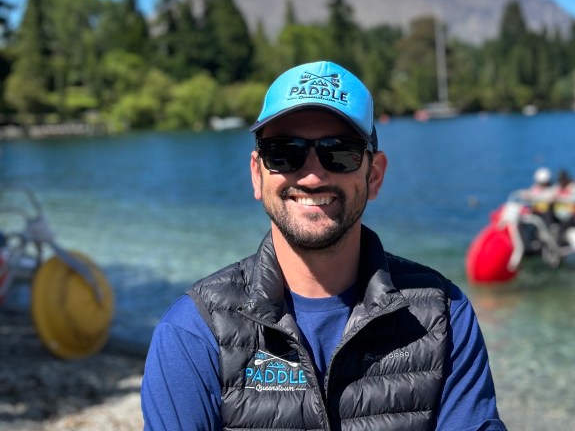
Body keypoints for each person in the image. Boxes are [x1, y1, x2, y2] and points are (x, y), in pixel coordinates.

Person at [141, 61, 506, 431]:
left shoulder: (445, 316)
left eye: (340, 151)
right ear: (257, 174)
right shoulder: (194, 331)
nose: (313, 176)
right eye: (284, 151)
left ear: (374, 175)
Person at [552, 169, 575, 242]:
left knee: (562, 228)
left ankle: (560, 244)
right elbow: (549, 196)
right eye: (560, 180)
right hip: (559, 216)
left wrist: (559, 199)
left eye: (562, 180)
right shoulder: (557, 188)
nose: (561, 182)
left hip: (573, 217)